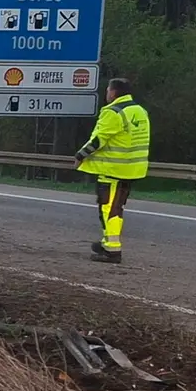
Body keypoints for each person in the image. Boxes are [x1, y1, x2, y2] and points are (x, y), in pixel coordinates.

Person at [74, 78, 150, 263]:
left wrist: (80, 155)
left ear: (114, 92)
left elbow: (99, 140)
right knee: (116, 207)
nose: (107, 93)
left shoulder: (114, 113)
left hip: (112, 169)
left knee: (109, 209)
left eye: (108, 90)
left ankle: (112, 249)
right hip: (131, 168)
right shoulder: (139, 111)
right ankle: (107, 242)